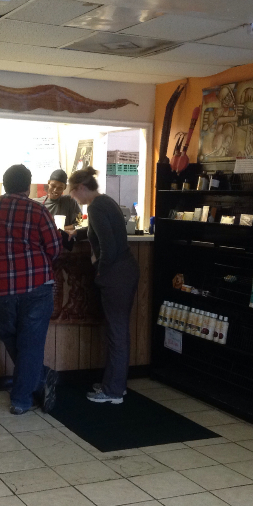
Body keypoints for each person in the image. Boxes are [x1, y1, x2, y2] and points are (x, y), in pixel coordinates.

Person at [0, 164, 62, 415]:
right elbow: (55, 248)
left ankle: (35, 383)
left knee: (9, 336)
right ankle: (26, 395)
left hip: (0, 286)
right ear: (28, 185)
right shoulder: (38, 210)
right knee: (30, 343)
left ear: (4, 184)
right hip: (36, 284)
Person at [67, 166, 139, 404]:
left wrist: (100, 271)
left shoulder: (96, 207)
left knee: (117, 333)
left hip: (115, 275)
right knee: (119, 332)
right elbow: (100, 233)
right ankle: (115, 383)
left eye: (73, 191)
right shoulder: (105, 201)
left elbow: (109, 246)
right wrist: (77, 233)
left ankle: (113, 391)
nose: (72, 196)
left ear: (81, 187)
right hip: (125, 271)